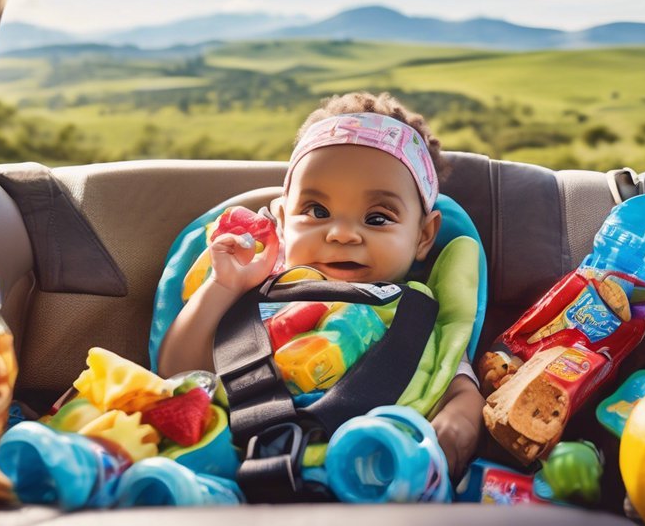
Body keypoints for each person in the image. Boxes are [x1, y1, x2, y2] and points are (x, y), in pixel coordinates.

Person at [159, 91, 485, 478]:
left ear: (423, 237)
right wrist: (223, 287)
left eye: (377, 218)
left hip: (370, 473)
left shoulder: (414, 316)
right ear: (282, 218)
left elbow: (459, 388)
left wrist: (460, 422)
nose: (342, 234)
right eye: (317, 211)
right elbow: (177, 374)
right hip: (236, 467)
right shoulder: (253, 292)